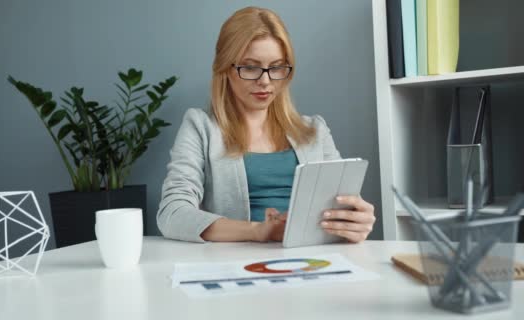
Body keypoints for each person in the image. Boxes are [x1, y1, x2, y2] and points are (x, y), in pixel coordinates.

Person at [157, 6, 375, 243]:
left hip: (313, 259)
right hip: (237, 264)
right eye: (250, 67)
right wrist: (257, 231)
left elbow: (343, 211)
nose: (265, 80)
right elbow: (172, 213)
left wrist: (356, 221)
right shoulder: (200, 127)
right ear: (224, 68)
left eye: (276, 67)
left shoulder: (315, 131)